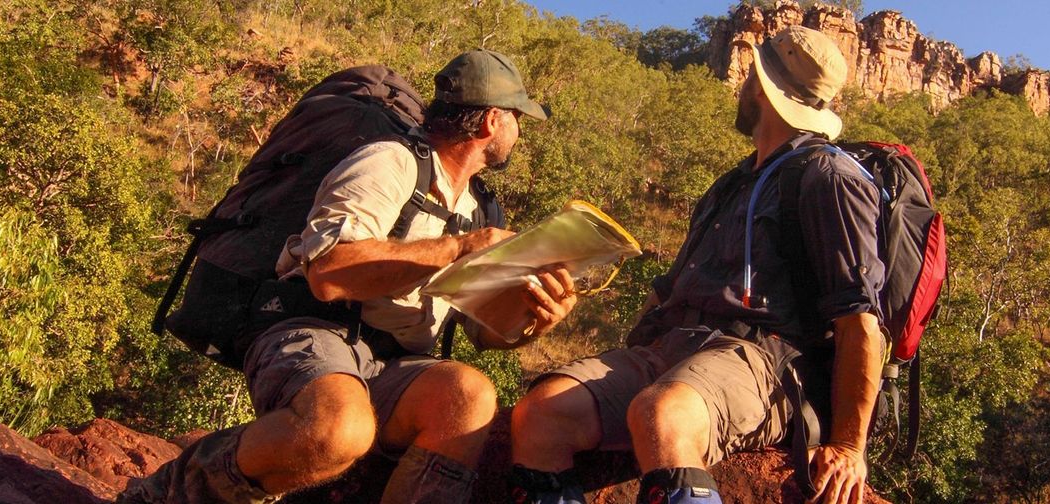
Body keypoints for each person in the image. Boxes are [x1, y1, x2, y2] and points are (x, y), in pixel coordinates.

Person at [123, 50, 578, 504]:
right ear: (491, 122)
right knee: (339, 429)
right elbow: (328, 273)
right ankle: (173, 490)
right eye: (518, 116)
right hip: (310, 328)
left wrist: (536, 319)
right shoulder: (390, 163)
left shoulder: (477, 208)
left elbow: (481, 330)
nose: (520, 130)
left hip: (394, 356)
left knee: (469, 395)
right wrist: (457, 248)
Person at [509, 27, 886, 504]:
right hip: (675, 347)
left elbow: (860, 320)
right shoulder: (730, 184)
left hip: (763, 362)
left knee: (662, 413)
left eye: (752, 74)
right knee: (542, 412)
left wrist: (850, 445)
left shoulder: (828, 177)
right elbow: (670, 288)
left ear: (762, 87)